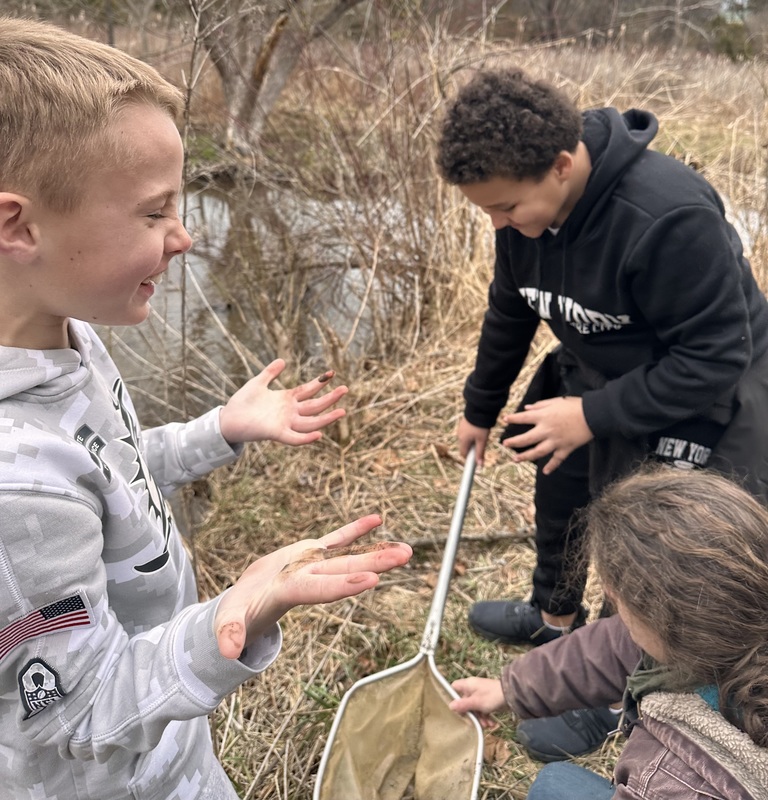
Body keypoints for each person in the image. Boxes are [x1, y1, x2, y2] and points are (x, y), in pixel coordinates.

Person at [0, 17, 413, 800]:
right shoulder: (10, 497)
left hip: (174, 758)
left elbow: (103, 467)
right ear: (19, 225)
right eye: (153, 214)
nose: (184, 237)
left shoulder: (67, 330)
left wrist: (217, 430)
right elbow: (80, 716)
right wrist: (236, 613)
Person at [435, 67, 768, 759]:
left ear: (561, 166)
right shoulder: (523, 218)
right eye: (488, 212)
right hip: (600, 370)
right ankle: (555, 619)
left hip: (706, 391)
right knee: (557, 481)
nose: (498, 225)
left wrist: (591, 416)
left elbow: (715, 356)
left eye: (505, 208)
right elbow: (511, 307)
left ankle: (621, 695)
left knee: (650, 550)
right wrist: (481, 405)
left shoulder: (667, 216)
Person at [450, 467, 768, 799]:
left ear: (668, 627)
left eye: (620, 600)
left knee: (552, 785)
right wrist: (510, 689)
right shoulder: (731, 613)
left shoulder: (673, 780)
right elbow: (616, 644)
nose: (611, 596)